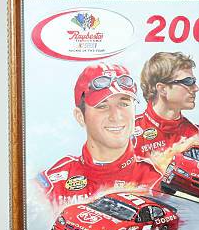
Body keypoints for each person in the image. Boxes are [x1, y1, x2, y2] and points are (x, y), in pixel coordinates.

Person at [38, 63, 161, 208]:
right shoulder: (52, 186)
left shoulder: (155, 181)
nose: (116, 117)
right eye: (102, 106)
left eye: (123, 104)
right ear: (80, 116)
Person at [134, 52, 199, 159]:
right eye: (188, 82)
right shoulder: (127, 132)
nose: (196, 88)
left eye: (194, 81)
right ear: (162, 89)